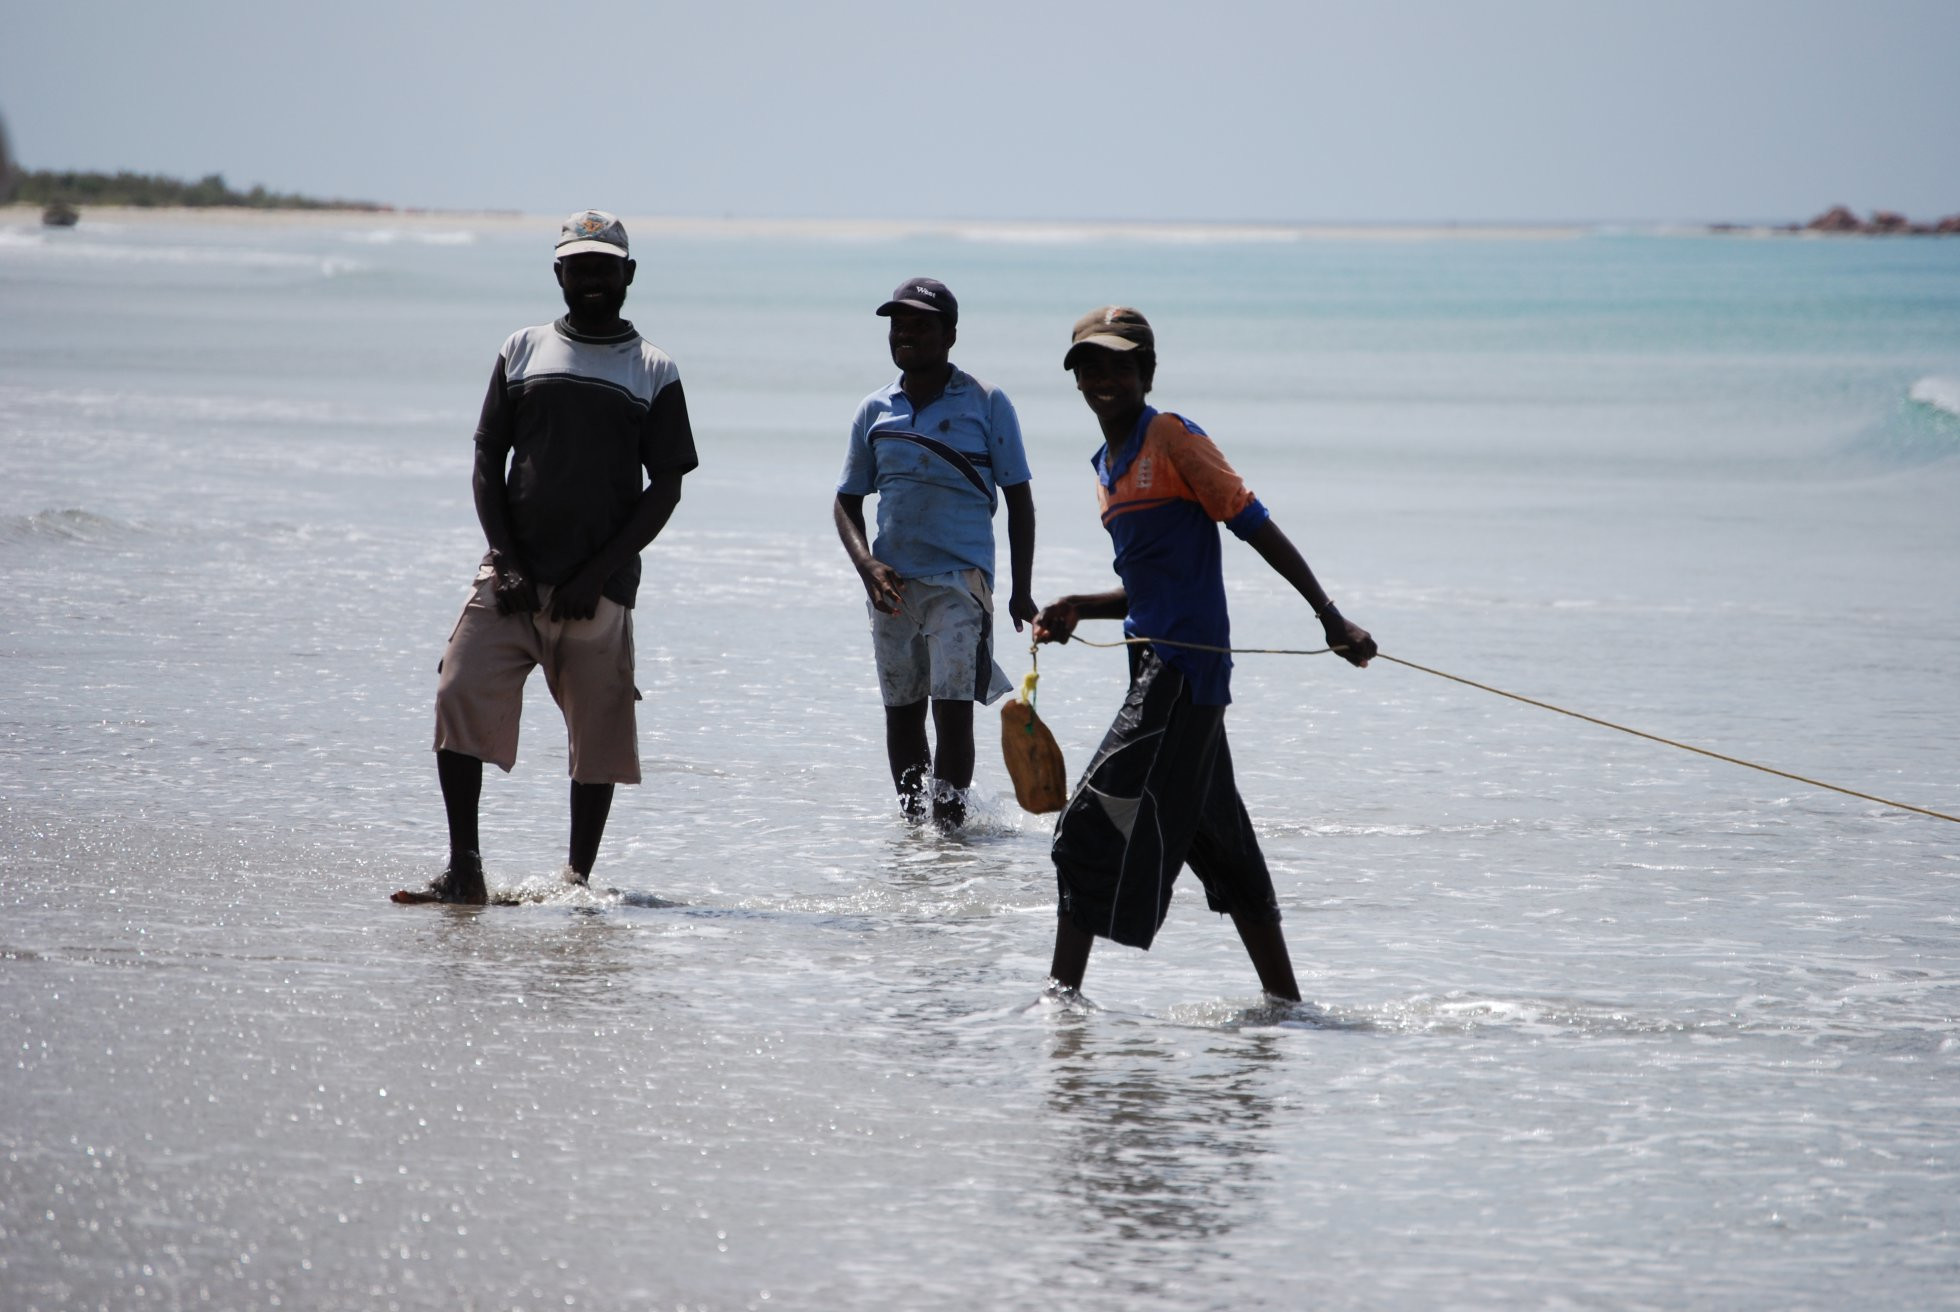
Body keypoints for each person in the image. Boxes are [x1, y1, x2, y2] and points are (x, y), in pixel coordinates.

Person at [1032, 306, 1377, 1000]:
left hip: (1182, 675)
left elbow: (1253, 523)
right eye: (1089, 366)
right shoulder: (1105, 468)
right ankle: (1287, 1011)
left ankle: (1059, 1006)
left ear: (1145, 372)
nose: (1104, 377)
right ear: (1076, 381)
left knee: (1086, 827)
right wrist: (1080, 607)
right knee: (1221, 845)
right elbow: (1148, 585)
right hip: (1158, 675)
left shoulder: (1174, 439)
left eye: (1119, 364)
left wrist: (1330, 616)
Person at [407, 210, 698, 903]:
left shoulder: (652, 369)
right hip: (511, 577)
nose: (592, 279)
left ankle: (576, 882)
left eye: (605, 267)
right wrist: (504, 559)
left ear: (627, 275)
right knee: (457, 694)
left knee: (597, 739)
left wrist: (597, 573)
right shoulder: (523, 348)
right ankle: (465, 869)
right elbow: (486, 456)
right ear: (559, 273)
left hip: (596, 592)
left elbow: (667, 487)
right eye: (579, 267)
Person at [833, 277, 1037, 828]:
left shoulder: (986, 403)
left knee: (951, 713)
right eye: (899, 324)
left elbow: (1019, 498)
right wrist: (866, 564)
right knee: (901, 716)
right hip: (892, 585)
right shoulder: (875, 410)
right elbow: (846, 502)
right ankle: (915, 835)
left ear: (950, 334)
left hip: (960, 583)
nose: (906, 334)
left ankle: (947, 835)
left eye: (921, 325)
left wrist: (1020, 589)